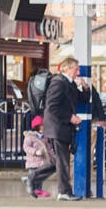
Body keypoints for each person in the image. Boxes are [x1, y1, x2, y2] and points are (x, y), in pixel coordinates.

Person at [41, 56, 88, 200]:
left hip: (63, 128)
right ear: (66, 69)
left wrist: (85, 87)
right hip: (57, 128)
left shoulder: (70, 84)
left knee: (59, 161)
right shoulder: (58, 83)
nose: (78, 72)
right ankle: (64, 192)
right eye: (76, 69)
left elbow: (83, 99)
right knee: (62, 161)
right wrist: (70, 117)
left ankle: (33, 178)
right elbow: (52, 106)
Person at [21, 115, 54, 198]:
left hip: (42, 161)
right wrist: (35, 152)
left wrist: (52, 155)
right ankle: (32, 189)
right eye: (42, 126)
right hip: (33, 161)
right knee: (33, 175)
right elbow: (26, 147)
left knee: (40, 177)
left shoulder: (45, 137)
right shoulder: (30, 137)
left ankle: (38, 190)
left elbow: (49, 148)